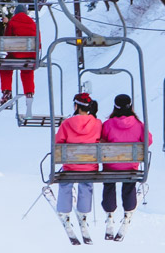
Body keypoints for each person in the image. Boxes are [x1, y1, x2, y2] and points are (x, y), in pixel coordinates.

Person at [100, 94, 151, 240]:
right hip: (130, 167)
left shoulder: (108, 124)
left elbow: (101, 140)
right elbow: (149, 141)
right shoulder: (139, 125)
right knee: (129, 186)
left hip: (111, 166)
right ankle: (127, 214)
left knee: (109, 184)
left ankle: (109, 215)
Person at [53, 92, 101, 242]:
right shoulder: (97, 123)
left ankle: (64, 211)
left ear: (76, 106)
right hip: (89, 166)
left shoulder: (66, 124)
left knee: (65, 182)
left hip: (71, 166)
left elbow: (58, 143)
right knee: (86, 184)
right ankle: (83, 214)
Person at [0, 4, 39, 113]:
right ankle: (29, 93)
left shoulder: (12, 22)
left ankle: (7, 90)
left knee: (5, 68)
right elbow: (38, 43)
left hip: (16, 54)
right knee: (27, 71)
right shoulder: (33, 24)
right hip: (30, 55)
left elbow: (7, 41)